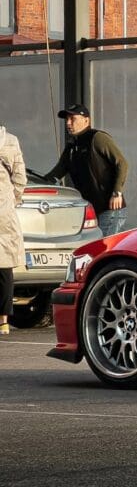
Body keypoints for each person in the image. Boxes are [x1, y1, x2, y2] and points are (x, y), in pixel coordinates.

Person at [45, 104, 129, 237]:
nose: (68, 123)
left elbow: (122, 163)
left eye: (73, 119)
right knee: (91, 251)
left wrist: (116, 192)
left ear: (86, 120)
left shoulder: (97, 138)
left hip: (110, 210)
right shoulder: (72, 146)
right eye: (67, 119)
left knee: (104, 250)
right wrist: (31, 184)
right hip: (89, 212)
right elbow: (56, 173)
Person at [0, 125, 27, 336]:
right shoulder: (10, 140)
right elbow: (20, 178)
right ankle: (4, 321)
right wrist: (12, 199)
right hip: (4, 209)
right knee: (4, 266)